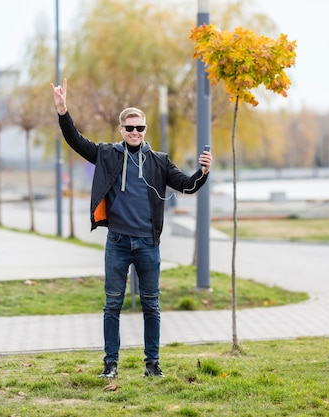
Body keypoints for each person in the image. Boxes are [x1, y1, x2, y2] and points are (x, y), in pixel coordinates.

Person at [51, 78, 212, 379]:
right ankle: (110, 364)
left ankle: (152, 365)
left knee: (152, 305)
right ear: (121, 130)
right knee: (112, 304)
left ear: (145, 130)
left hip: (148, 244)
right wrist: (63, 110)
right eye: (130, 128)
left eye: (140, 128)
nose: (135, 132)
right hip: (118, 242)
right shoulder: (107, 154)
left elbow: (186, 186)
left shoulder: (160, 162)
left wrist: (202, 172)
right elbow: (75, 140)